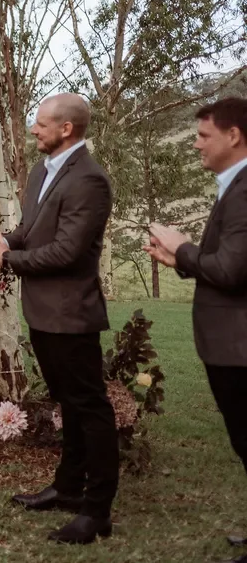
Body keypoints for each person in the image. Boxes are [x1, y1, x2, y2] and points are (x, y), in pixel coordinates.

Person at [0, 93, 118, 545]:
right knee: (68, 404)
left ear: (66, 129)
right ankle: (69, 488)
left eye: (40, 124)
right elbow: (32, 232)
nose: (33, 129)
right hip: (42, 311)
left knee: (90, 409)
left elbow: (68, 253)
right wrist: (0, 242)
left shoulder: (90, 181)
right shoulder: (40, 172)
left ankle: (97, 512)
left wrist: (7, 257)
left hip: (72, 313)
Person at [145, 97, 247, 563]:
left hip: (239, 346)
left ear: (233, 135)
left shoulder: (245, 189)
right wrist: (181, 261)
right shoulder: (233, 186)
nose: (196, 143)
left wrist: (182, 247)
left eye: (204, 135)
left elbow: (230, 271)